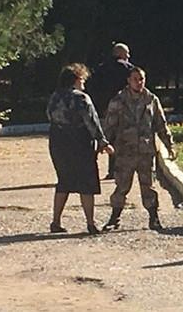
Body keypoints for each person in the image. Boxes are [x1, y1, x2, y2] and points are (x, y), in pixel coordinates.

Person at [102, 67, 174, 231]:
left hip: (146, 152)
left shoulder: (151, 99)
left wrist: (169, 145)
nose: (139, 82)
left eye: (141, 79)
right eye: (135, 79)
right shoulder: (118, 100)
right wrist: (103, 144)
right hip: (125, 152)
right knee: (122, 186)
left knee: (148, 186)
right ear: (128, 80)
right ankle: (114, 218)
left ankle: (154, 218)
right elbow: (109, 125)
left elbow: (161, 124)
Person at [47, 63, 115, 235]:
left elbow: (49, 115)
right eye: (82, 79)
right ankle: (90, 223)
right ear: (76, 79)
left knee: (63, 181)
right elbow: (91, 121)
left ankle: (56, 221)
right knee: (87, 183)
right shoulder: (81, 98)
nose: (84, 82)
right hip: (79, 143)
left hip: (58, 142)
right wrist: (102, 142)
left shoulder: (55, 96)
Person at [91, 43, 134, 179]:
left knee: (108, 138)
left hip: (105, 109)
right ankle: (121, 170)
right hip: (125, 108)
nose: (128, 56)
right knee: (124, 139)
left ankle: (104, 169)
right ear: (120, 54)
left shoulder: (101, 69)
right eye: (126, 53)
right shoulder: (128, 68)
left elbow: (94, 88)